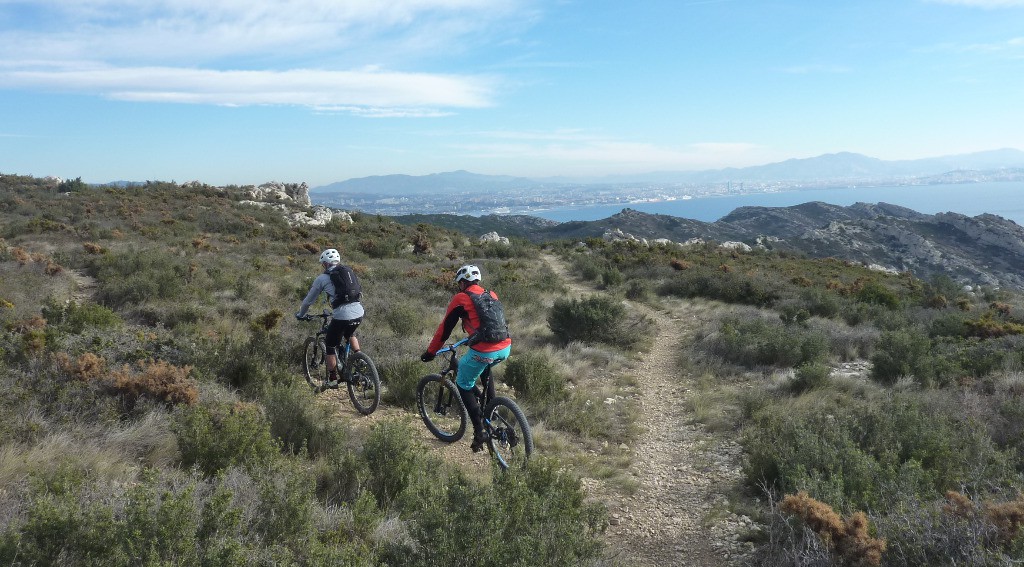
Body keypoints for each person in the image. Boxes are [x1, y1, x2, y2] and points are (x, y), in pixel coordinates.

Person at [421, 264, 511, 452]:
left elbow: (444, 329)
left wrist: (430, 352)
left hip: (484, 349)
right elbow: (491, 322)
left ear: (462, 283)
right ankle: (491, 409)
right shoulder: (491, 294)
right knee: (485, 366)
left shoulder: (461, 298)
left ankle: (479, 432)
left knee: (463, 383)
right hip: (505, 347)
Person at [295, 248, 364, 388]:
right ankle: (360, 357)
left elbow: (308, 301)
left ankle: (332, 379)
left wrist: (301, 315)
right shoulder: (348, 272)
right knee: (349, 332)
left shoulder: (322, 278)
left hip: (342, 314)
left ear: (325, 264)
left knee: (330, 345)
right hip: (359, 311)